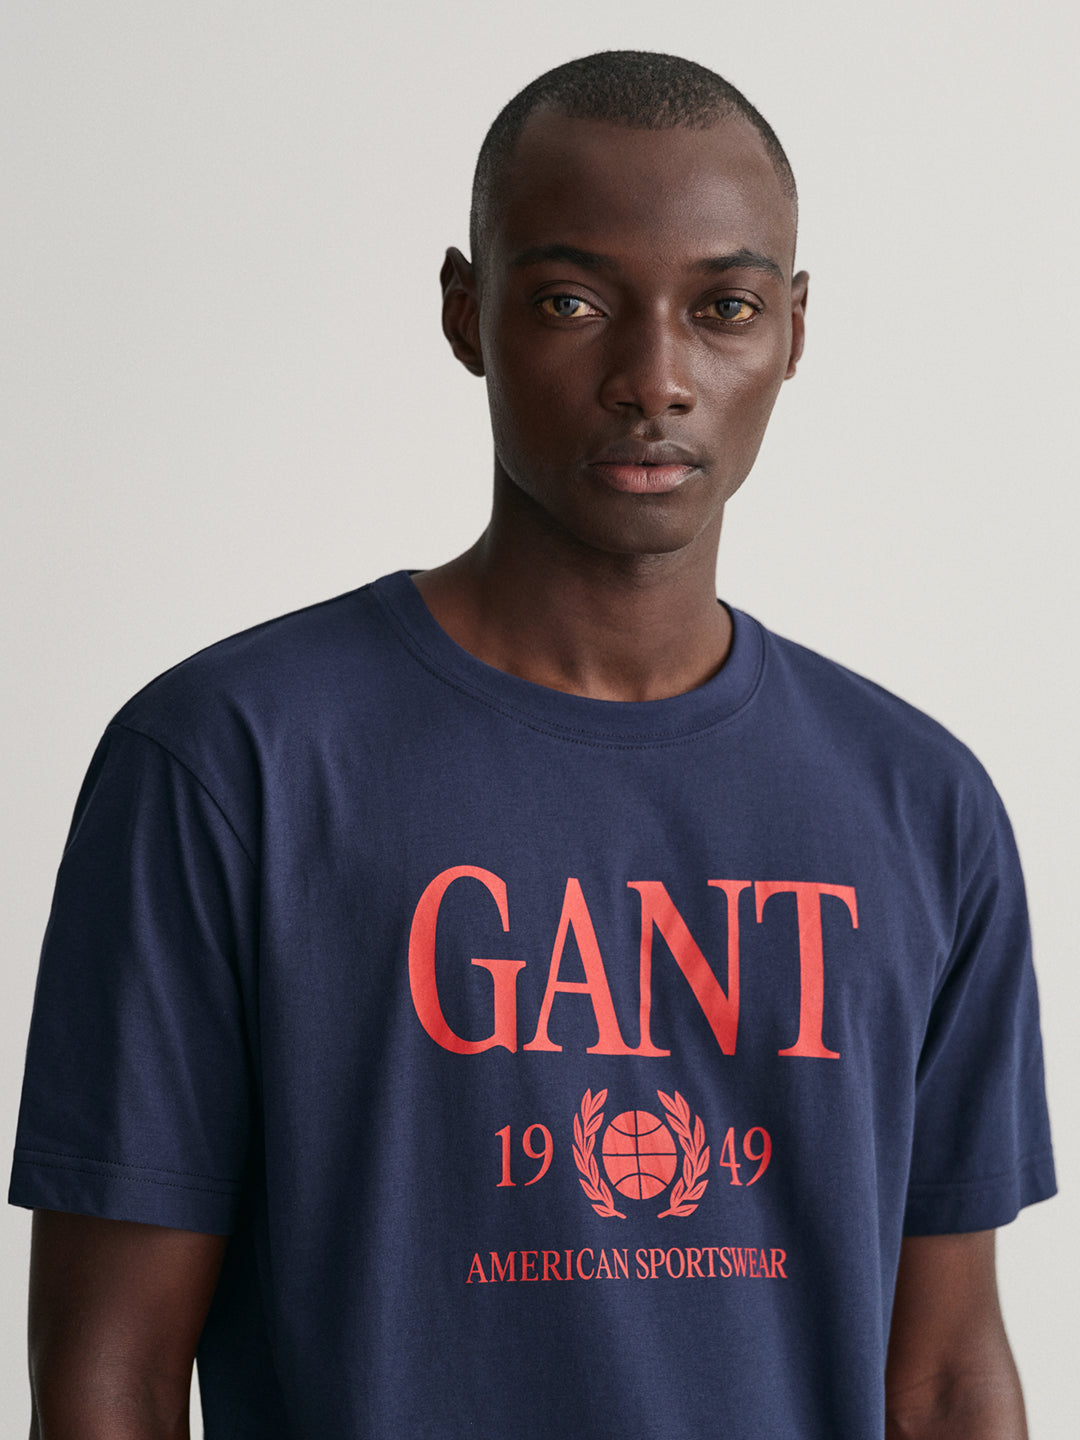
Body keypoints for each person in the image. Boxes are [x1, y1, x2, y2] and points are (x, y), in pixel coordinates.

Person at [11, 49, 1055, 1440]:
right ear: (467, 311)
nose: (653, 379)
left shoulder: (923, 806)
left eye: (725, 308)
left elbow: (944, 1375)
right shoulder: (230, 763)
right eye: (572, 302)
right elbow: (112, 1374)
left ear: (794, 331)